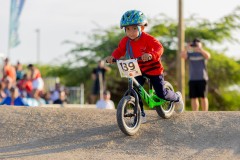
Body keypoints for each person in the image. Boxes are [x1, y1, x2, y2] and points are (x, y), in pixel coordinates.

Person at [106, 10, 184, 123]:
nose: (130, 32)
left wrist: (151, 55)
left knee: (161, 93)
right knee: (136, 89)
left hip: (153, 69)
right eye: (127, 29)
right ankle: (140, 113)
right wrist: (113, 57)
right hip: (138, 68)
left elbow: (159, 48)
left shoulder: (148, 39)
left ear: (142, 28)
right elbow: (119, 51)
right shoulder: (125, 41)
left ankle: (176, 97)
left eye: (133, 28)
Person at [181, 38, 211, 111]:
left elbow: (208, 56)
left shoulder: (203, 53)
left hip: (202, 78)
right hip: (192, 79)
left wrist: (200, 49)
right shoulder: (190, 54)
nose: (196, 46)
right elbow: (182, 56)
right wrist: (187, 48)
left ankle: (205, 113)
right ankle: (195, 114)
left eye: (197, 44)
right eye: (194, 44)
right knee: (193, 97)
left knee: (203, 96)